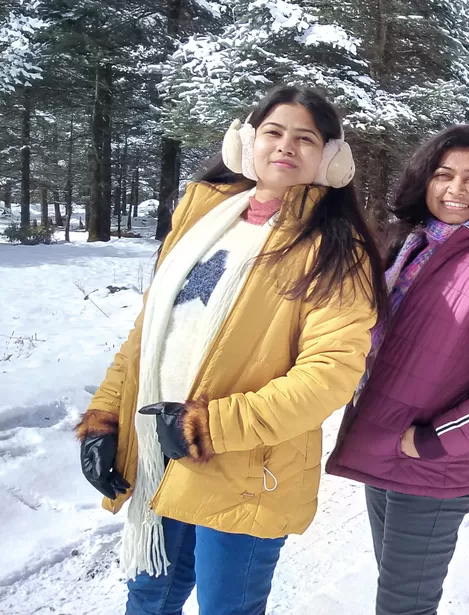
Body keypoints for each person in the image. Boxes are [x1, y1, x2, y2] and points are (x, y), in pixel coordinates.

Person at [74, 86, 385, 615]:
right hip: (159, 450)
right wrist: (106, 416)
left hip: (246, 463)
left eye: (305, 138)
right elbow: (148, 334)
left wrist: (210, 427)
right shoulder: (205, 217)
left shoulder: (336, 249)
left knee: (227, 606)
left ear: (330, 159)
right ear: (247, 142)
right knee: (149, 595)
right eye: (273, 132)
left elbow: (328, 375)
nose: (286, 146)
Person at [325, 124, 469, 615]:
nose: (455, 189)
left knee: (405, 604)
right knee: (396, 589)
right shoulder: (415, 244)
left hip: (429, 461)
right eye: (444, 175)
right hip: (383, 442)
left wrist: (431, 439)